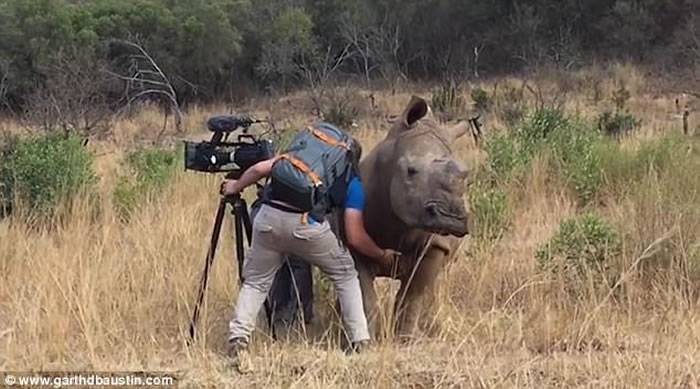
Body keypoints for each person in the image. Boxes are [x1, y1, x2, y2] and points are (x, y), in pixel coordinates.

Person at [221, 133, 398, 363]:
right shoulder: (350, 179)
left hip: (266, 219)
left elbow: (257, 171)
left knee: (255, 281)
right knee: (345, 274)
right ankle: (360, 341)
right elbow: (354, 236)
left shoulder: (298, 157)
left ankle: (238, 338)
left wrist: (235, 186)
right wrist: (382, 254)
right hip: (306, 226)